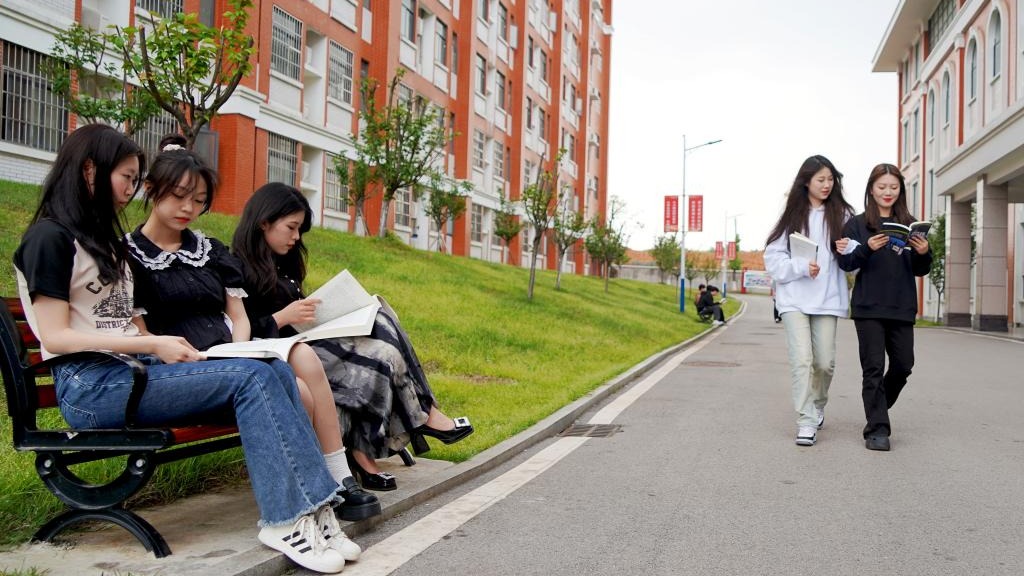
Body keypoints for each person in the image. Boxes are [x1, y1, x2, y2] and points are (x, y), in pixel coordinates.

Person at [12, 124, 355, 573]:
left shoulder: (100, 243)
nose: (131, 191)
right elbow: (54, 336)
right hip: (91, 388)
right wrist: (153, 342)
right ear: (91, 170)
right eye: (127, 178)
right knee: (253, 376)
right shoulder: (49, 239)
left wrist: (162, 349)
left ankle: (315, 512)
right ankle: (287, 517)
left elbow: (118, 319)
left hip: (130, 374)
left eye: (136, 180)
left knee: (271, 366)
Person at [126, 136, 379, 525]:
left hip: (232, 353)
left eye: (198, 201)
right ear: (150, 189)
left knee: (303, 355)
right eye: (179, 196)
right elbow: (141, 332)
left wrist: (239, 350)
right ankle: (312, 490)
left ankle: (338, 474)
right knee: (295, 389)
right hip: (185, 365)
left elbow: (238, 315)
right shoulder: (130, 257)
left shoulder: (209, 250)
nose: (188, 209)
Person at [232, 183, 474, 491]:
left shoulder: (284, 261)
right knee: (378, 359)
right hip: (283, 355)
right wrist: (285, 317)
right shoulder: (236, 267)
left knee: (380, 316)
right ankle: (417, 417)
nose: (296, 238)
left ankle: (379, 441)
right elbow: (240, 332)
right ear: (264, 221)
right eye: (291, 228)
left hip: (312, 344)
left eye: (300, 231)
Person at [838, 163, 931, 452]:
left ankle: (878, 406)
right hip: (868, 307)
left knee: (904, 365)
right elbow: (846, 263)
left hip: (901, 306)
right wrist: (867, 248)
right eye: (882, 187)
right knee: (873, 368)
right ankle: (877, 429)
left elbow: (920, 270)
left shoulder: (911, 223)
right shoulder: (856, 224)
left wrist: (924, 253)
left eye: (893, 187)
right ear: (871, 189)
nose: (887, 192)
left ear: (900, 190)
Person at [764, 155, 854, 447]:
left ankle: (817, 404)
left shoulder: (843, 215)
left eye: (831, 179)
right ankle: (805, 420)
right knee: (802, 361)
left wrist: (849, 248)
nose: (827, 185)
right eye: (821, 180)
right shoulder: (793, 216)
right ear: (806, 182)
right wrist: (800, 267)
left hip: (827, 299)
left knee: (825, 362)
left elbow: (855, 259)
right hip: (793, 300)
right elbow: (773, 259)